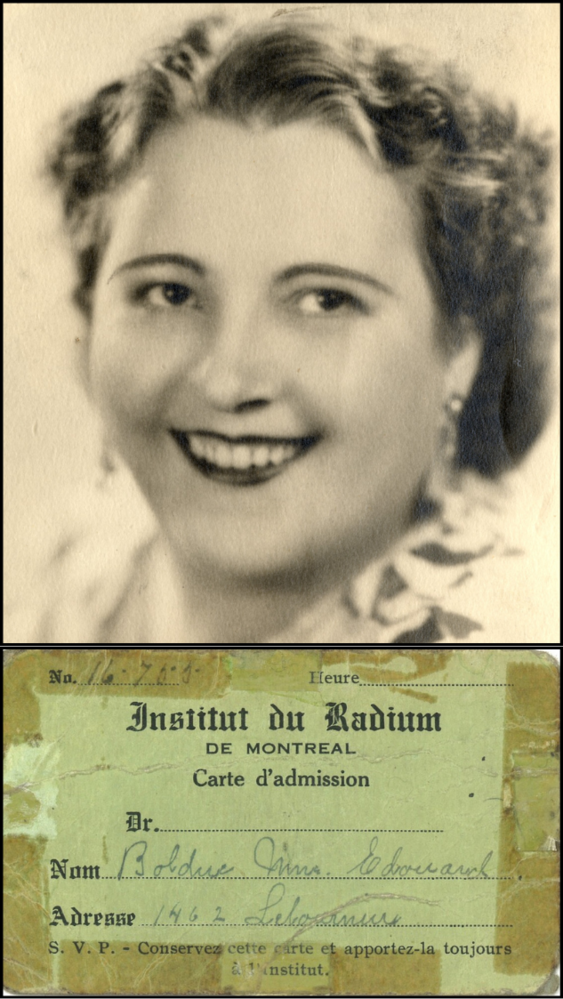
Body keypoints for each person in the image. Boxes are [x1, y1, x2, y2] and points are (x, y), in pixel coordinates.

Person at [5, 12, 556, 641]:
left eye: (324, 300)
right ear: (88, 324)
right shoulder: (74, 576)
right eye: (171, 292)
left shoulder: (498, 659)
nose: (230, 380)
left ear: (458, 349)